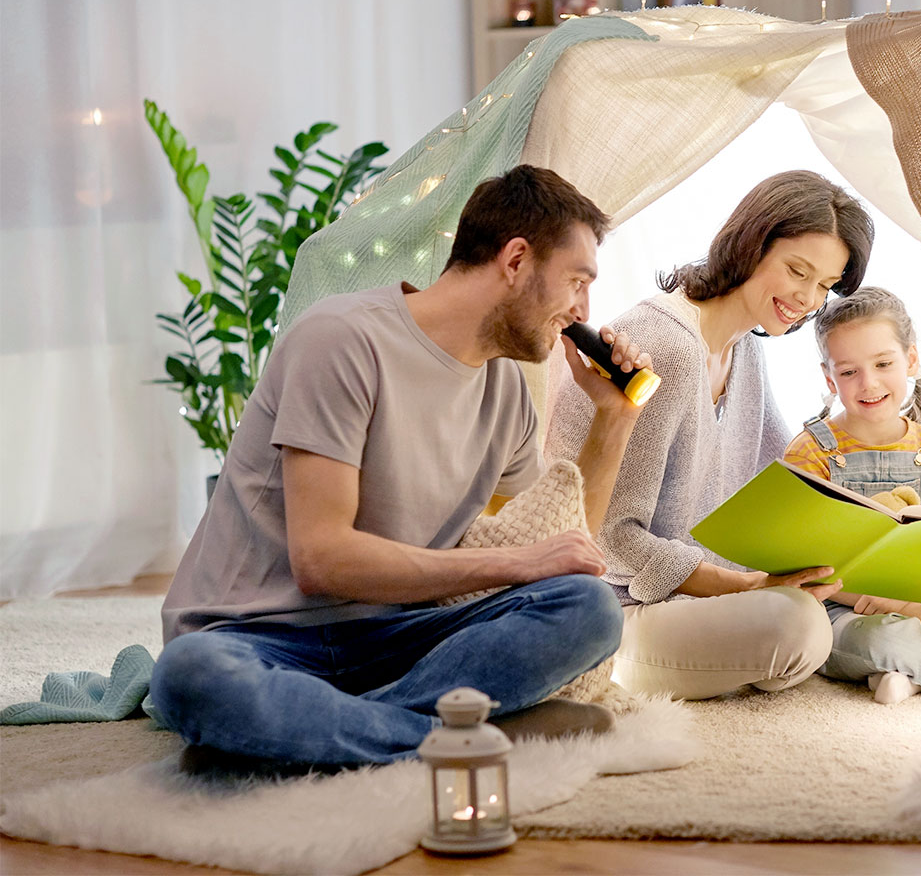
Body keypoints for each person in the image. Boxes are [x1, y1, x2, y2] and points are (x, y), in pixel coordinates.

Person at [152, 165, 652, 768]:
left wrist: (614, 418)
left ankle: (313, 734)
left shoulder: (509, 392)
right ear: (516, 260)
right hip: (257, 636)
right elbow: (323, 559)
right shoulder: (341, 340)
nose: (582, 310)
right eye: (577, 281)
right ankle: (456, 733)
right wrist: (517, 562)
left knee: (589, 609)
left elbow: (562, 550)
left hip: (397, 641)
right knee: (190, 677)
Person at [544, 170, 876, 700]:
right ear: (751, 244)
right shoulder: (666, 348)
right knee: (798, 628)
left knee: (817, 615)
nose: (808, 298)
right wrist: (748, 586)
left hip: (698, 602)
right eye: (798, 271)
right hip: (614, 608)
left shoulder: (745, 348)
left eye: (825, 286)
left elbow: (786, 475)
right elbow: (611, 536)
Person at [782, 286, 921, 704]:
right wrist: (896, 605)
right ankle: (913, 668)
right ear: (829, 377)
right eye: (848, 371)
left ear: (910, 360)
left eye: (884, 363)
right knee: (885, 640)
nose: (868, 383)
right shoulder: (810, 451)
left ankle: (907, 675)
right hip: (841, 611)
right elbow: (804, 567)